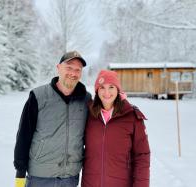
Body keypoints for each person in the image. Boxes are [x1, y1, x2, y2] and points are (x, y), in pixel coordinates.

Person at [14, 51, 91, 187]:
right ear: (58, 68)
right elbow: (24, 136)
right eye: (69, 68)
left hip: (70, 178)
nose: (73, 73)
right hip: (40, 176)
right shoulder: (38, 96)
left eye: (77, 70)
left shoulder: (86, 100)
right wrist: (20, 173)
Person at [81, 70, 150, 187]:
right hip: (90, 183)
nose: (106, 92)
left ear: (118, 89)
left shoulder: (132, 116)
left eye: (111, 87)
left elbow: (142, 156)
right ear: (97, 90)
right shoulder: (89, 114)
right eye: (102, 87)